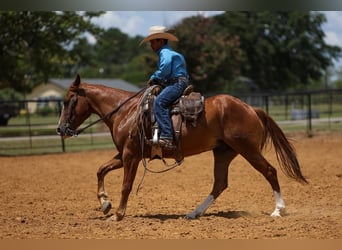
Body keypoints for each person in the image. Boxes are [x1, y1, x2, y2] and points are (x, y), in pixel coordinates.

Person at [140, 25, 189, 149]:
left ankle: (166, 136)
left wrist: (154, 77)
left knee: (159, 102)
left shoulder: (165, 52)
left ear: (160, 41)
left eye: (152, 42)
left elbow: (165, 67)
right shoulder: (171, 52)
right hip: (178, 81)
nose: (151, 45)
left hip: (176, 83)